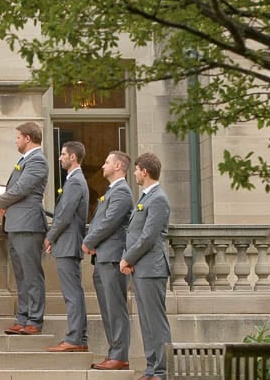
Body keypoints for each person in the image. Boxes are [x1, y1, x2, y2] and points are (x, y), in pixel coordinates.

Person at [120, 153, 172, 380]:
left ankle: (161, 371)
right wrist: (129, 259)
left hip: (152, 268)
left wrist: (127, 258)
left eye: (136, 169)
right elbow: (133, 233)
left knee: (155, 321)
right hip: (141, 268)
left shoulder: (158, 198)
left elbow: (148, 237)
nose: (134, 173)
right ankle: (151, 369)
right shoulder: (145, 197)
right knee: (146, 321)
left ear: (145, 172)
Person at [0, 121, 48, 335]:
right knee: (21, 275)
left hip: (28, 224)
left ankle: (34, 320)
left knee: (31, 274)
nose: (15, 141)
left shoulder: (37, 161)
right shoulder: (24, 160)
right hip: (16, 224)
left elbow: (21, 188)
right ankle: (23, 317)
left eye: (18, 137)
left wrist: (1, 200)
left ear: (27, 138)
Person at [82, 150, 133, 371]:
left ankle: (119, 355)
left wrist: (89, 241)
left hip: (113, 257)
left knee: (115, 308)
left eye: (107, 162)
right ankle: (114, 352)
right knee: (107, 308)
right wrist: (94, 243)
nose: (103, 166)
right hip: (103, 256)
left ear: (119, 167)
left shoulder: (122, 192)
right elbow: (100, 221)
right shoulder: (112, 190)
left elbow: (109, 222)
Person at [44, 141, 89, 352]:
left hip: (69, 244)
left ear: (73, 157)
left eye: (63, 154)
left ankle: (73, 339)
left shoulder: (75, 182)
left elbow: (64, 216)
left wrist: (50, 237)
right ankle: (79, 338)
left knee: (72, 295)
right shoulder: (73, 180)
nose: (60, 158)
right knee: (73, 293)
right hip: (68, 243)